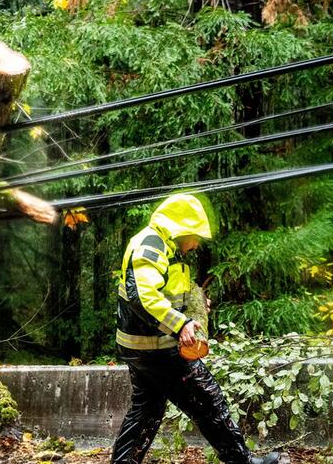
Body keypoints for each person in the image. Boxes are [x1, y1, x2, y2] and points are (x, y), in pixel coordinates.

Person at [110, 194, 283, 464]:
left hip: (144, 346)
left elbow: (168, 293)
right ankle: (243, 462)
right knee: (210, 401)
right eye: (197, 236)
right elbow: (142, 297)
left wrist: (195, 305)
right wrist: (181, 324)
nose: (198, 243)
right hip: (157, 349)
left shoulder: (166, 248)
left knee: (146, 412)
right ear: (182, 229)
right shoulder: (150, 245)